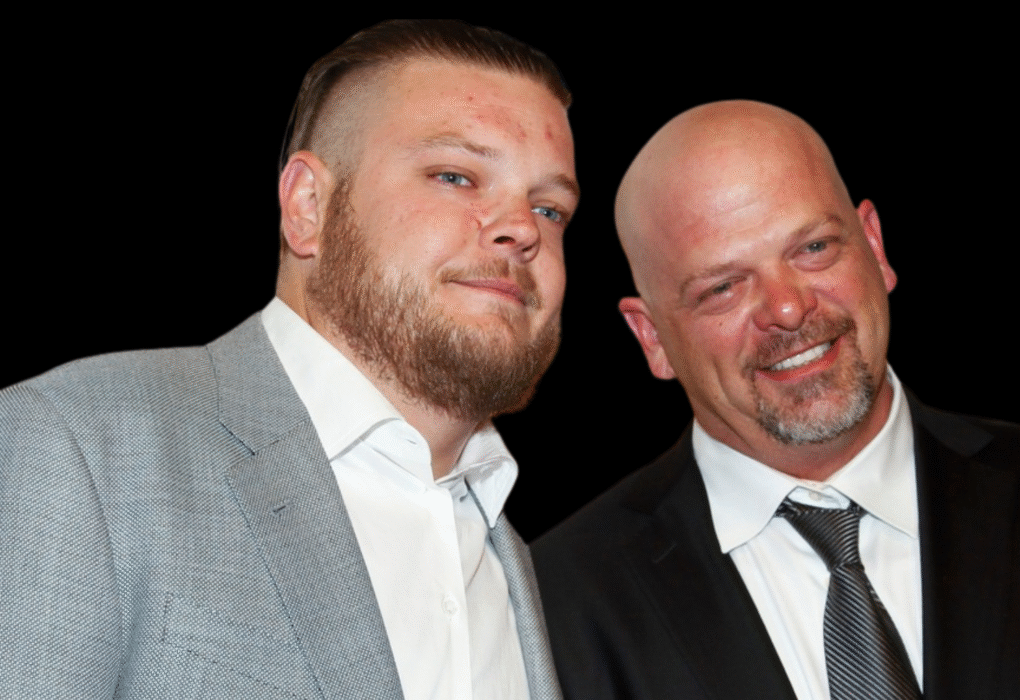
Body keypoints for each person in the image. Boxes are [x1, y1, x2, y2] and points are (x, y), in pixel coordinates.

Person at [0, 20, 578, 699]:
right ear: (308, 206)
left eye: (551, 209)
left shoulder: (508, 552)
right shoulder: (80, 445)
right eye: (455, 176)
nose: (522, 228)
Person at [532, 100, 1018, 700]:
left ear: (874, 244)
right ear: (652, 338)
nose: (788, 308)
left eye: (813, 248)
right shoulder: (552, 611)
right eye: (724, 287)